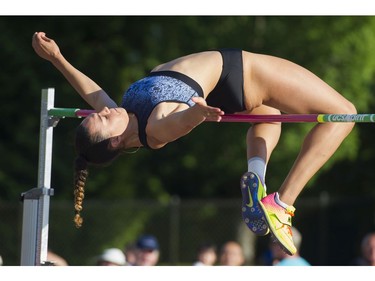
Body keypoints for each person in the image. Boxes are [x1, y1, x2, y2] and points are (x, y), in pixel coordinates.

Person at [32, 32, 357, 255]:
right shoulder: (155, 130)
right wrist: (197, 114)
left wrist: (57, 58)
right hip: (241, 71)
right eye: (101, 119)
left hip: (226, 87)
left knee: (268, 112)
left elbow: (90, 92)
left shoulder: (126, 113)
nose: (102, 111)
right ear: (116, 141)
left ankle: (256, 174)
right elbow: (175, 123)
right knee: (345, 113)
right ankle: (282, 203)